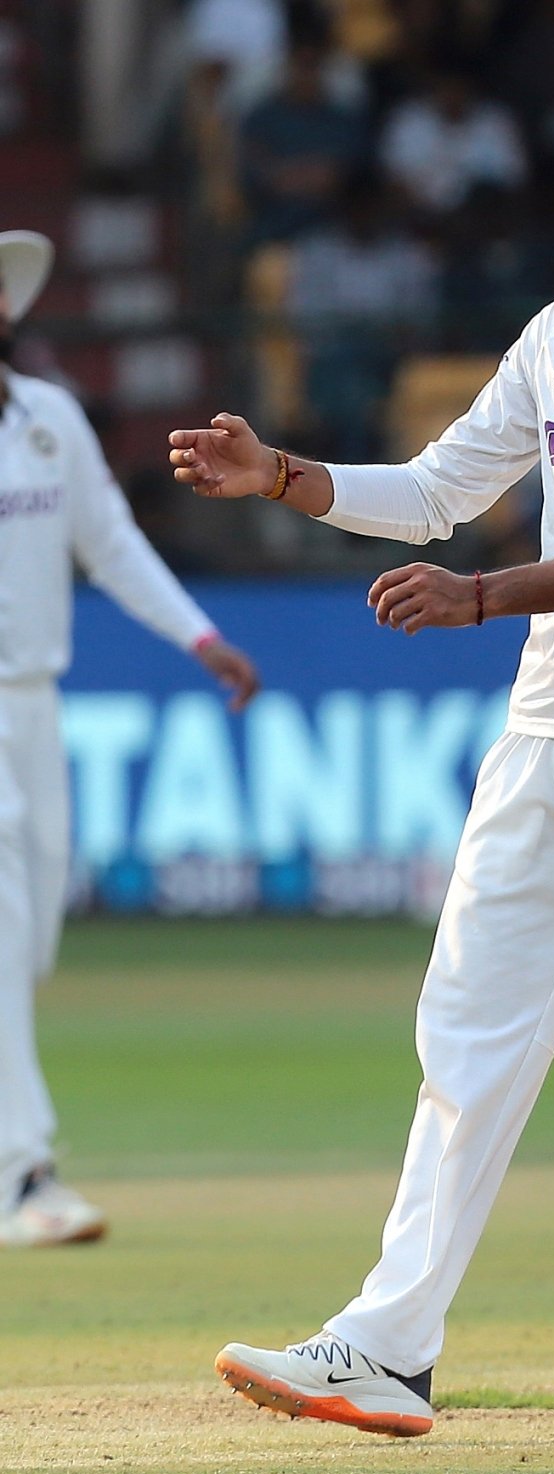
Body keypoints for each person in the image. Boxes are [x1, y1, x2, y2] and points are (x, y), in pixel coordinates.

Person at [170, 66, 554, 1440]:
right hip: (542, 734)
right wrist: (284, 474)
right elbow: (439, 491)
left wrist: (481, 594)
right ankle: (387, 1347)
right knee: (461, 1034)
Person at [0, 231, 259, 1249]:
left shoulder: (51, 421)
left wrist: (199, 635)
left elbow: (109, 544)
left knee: (35, 930)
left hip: (35, 701)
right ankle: (26, 1174)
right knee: (4, 924)